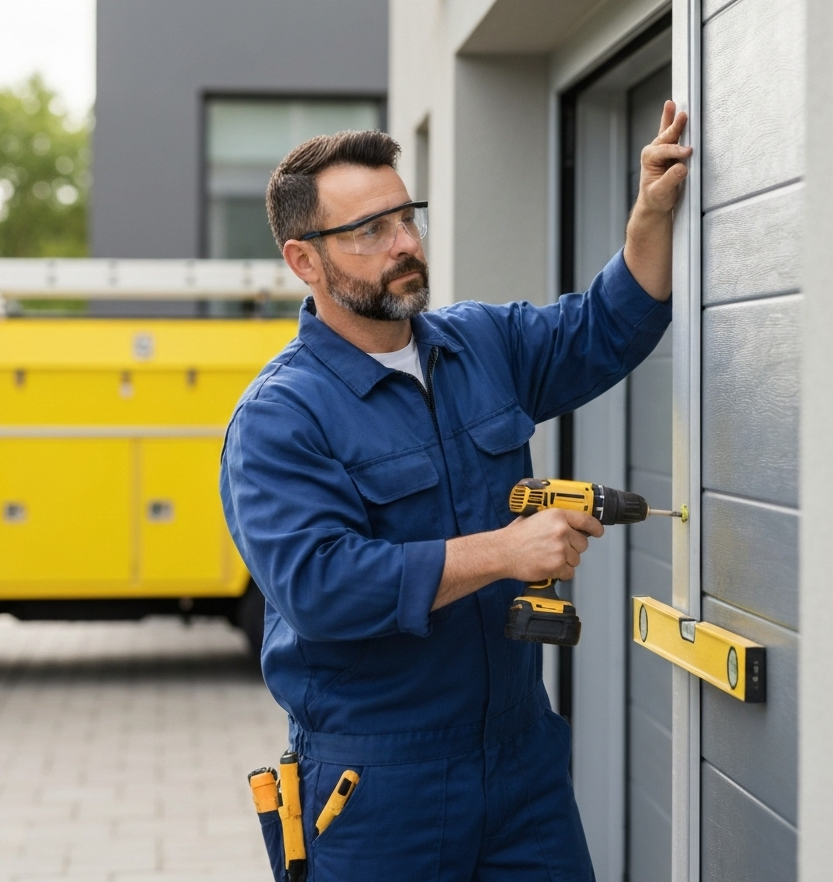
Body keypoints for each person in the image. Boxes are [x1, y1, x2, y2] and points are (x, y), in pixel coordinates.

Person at [221, 103, 691, 881]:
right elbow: (319, 587)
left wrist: (650, 212)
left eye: (407, 217)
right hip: (375, 788)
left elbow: (607, 326)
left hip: (520, 765)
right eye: (370, 230)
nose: (405, 243)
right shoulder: (281, 417)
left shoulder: (484, 345)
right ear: (304, 262)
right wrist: (504, 552)